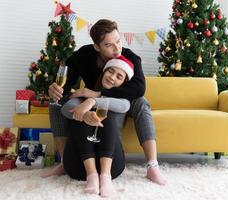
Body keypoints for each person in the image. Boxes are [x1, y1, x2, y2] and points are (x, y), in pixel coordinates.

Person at [44, 19, 166, 185]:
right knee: (55, 101)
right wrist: (55, 88)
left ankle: (152, 165)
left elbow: (139, 88)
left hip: (120, 103)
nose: (117, 49)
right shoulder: (83, 56)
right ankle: (66, 162)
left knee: (141, 102)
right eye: (109, 45)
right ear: (97, 47)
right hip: (90, 104)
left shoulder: (130, 57)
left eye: (118, 41)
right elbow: (65, 81)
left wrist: (97, 94)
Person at [61, 56, 133, 197]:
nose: (112, 77)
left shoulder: (122, 100)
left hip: (113, 166)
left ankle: (104, 178)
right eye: (110, 71)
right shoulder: (85, 93)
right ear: (104, 72)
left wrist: (93, 101)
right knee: (81, 114)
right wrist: (85, 113)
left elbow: (125, 106)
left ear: (123, 83)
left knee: (107, 113)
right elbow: (66, 108)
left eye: (119, 77)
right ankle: (92, 175)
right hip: (78, 165)